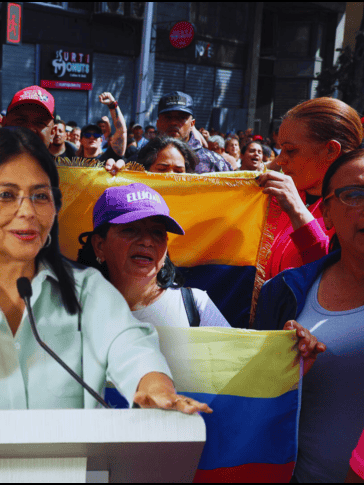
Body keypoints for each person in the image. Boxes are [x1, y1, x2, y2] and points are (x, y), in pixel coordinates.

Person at [0, 127, 211, 414]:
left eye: (40, 196)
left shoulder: (87, 291)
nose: (27, 211)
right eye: (6, 195)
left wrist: (154, 386)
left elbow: (131, 347)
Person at [254, 148, 364, 482]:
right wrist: (281, 367)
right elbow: (251, 401)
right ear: (326, 214)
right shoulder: (284, 292)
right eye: (354, 195)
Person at [76, 183, 230, 328]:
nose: (147, 241)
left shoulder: (196, 306)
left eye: (157, 232)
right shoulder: (70, 312)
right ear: (99, 246)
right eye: (130, 229)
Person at [256, 97, 363, 280]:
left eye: (290, 150)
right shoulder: (282, 196)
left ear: (330, 150)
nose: (280, 160)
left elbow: (337, 274)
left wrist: (298, 212)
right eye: (280, 149)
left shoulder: (356, 209)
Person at [152, 91, 231, 173]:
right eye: (168, 117)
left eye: (181, 118)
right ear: (158, 123)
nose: (173, 122)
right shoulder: (142, 158)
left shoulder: (215, 163)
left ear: (192, 124)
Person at [96, 92, 127, 158]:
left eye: (95, 136)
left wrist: (112, 104)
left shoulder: (106, 159)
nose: (91, 137)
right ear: (81, 141)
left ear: (101, 140)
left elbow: (121, 131)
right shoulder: (73, 158)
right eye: (87, 135)